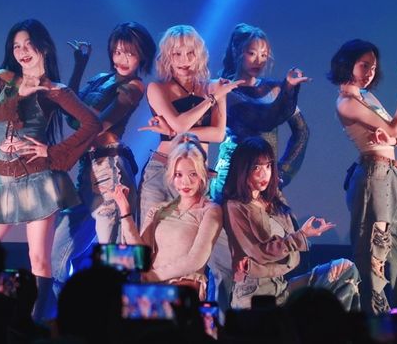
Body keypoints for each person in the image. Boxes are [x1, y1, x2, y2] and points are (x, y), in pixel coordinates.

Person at [0, 19, 101, 320]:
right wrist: (20, 94)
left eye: (28, 44)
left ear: (43, 47)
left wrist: (52, 153)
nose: (21, 52)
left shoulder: (53, 90)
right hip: (4, 184)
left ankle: (37, 327)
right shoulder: (3, 79)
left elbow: (91, 123)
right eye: (16, 46)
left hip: (38, 181)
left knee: (40, 261)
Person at [208, 23, 310, 311]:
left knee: (268, 253)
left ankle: (263, 322)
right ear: (237, 52)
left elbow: (302, 132)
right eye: (252, 53)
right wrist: (288, 91)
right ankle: (219, 323)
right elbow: (263, 118)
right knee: (227, 263)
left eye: (264, 54)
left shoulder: (275, 89)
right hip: (230, 183)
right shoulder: (225, 88)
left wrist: (282, 174)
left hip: (264, 184)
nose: (258, 60)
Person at [50, 22, 156, 294]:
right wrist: (79, 66)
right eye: (117, 52)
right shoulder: (100, 78)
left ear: (142, 56)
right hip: (87, 170)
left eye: (130, 53)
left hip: (110, 171)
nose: (122, 59)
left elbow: (96, 125)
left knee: (115, 261)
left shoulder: (134, 86)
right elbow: (69, 112)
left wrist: (59, 149)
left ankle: (117, 316)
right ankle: (69, 315)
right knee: (57, 257)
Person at [328, 39, 397, 313]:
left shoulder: (367, 97)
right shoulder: (346, 102)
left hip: (391, 174)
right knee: (375, 255)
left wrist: (393, 137)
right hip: (374, 177)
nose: (370, 72)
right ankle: (376, 321)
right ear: (347, 64)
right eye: (364, 65)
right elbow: (396, 130)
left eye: (373, 67)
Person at [223, 137, 360, 311]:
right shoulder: (235, 206)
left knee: (346, 269)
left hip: (282, 285)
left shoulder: (273, 200)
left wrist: (305, 234)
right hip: (255, 293)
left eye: (268, 166)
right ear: (243, 170)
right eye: (256, 167)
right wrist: (301, 236)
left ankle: (344, 328)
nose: (264, 174)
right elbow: (260, 252)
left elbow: (290, 248)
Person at [138, 25, 241, 223]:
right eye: (177, 54)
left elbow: (218, 134)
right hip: (162, 169)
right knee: (149, 236)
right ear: (167, 56)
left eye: (190, 53)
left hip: (197, 173)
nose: (184, 60)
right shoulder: (157, 88)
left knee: (192, 236)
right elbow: (180, 125)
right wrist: (211, 99)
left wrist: (173, 132)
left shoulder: (214, 86)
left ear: (199, 54)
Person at [112, 134, 223, 300]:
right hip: (153, 285)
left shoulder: (210, 210)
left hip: (182, 287)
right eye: (178, 174)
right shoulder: (159, 209)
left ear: (202, 175)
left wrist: (152, 277)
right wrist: (125, 212)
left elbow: (195, 260)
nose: (185, 182)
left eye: (192, 174)